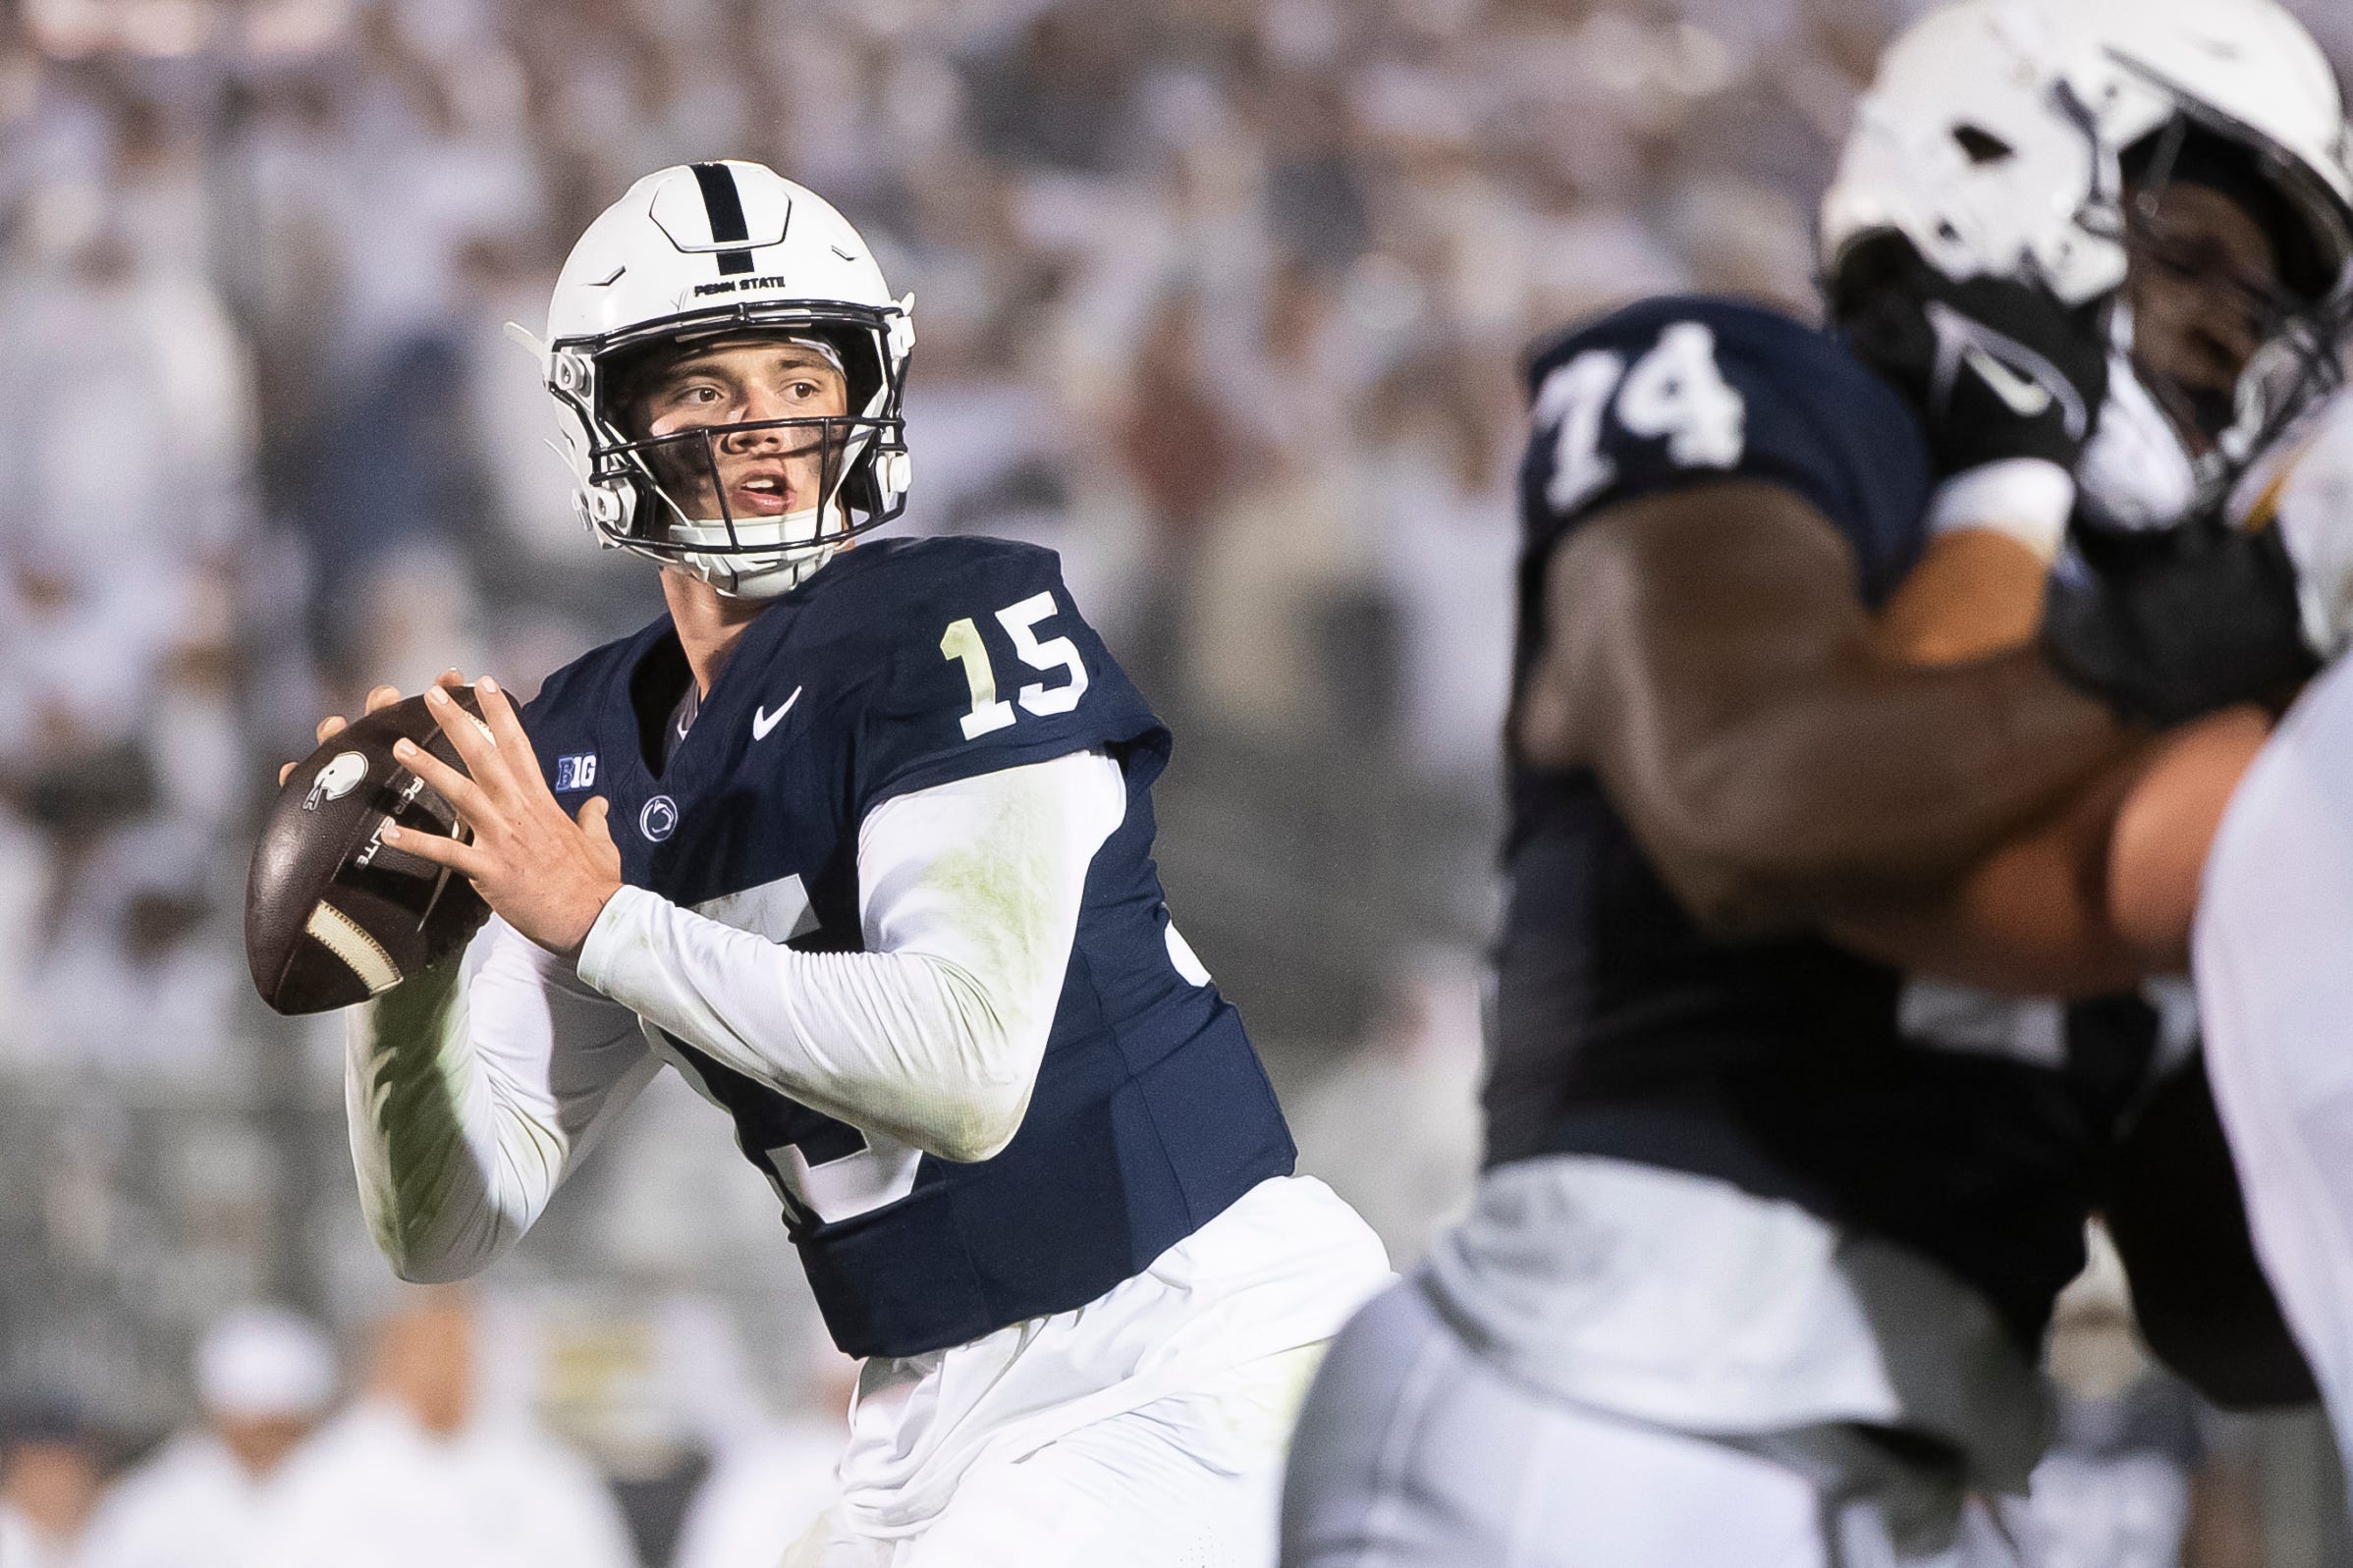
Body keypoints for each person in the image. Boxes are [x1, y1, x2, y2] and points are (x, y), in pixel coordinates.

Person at [1281, 0, 2353, 1563]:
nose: (2222, 338)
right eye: (2189, 256)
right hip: (1596, 1401)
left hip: (1924, 1484)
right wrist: (2258, 611)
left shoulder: (2175, 639)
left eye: (2266, 312)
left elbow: (2226, 1310)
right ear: (1999, 156)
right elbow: (1750, 804)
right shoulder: (1743, 386)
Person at [310, 161, 1391, 1567]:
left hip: (1186, 1339)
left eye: (798, 375)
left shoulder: (959, 621)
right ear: (609, 417)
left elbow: (965, 1069)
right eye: (706, 387)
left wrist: (602, 920)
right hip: (930, 1403)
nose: (764, 426)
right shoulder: (578, 741)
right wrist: (399, 971)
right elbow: (451, 1228)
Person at [247, 1287, 636, 1568]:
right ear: (394, 1356)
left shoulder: (545, 1475)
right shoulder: (329, 1478)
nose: (442, 1368)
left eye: (457, 1347)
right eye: (426, 1348)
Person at [78, 1305, 338, 1568]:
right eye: (249, 1426)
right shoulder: (152, 1504)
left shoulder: (344, 1488)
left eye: (279, 1428)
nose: (263, 1441)